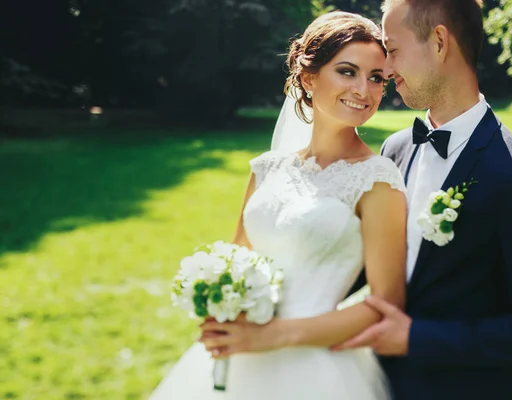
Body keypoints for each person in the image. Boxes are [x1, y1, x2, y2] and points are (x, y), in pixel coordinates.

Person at [149, 11, 407, 400]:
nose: (364, 90)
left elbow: (385, 304)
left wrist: (277, 336)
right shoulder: (267, 169)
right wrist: (219, 307)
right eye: (348, 71)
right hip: (239, 360)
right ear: (309, 77)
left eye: (376, 78)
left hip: (316, 369)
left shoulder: (377, 179)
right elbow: (236, 262)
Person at [334, 1, 512, 399]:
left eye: (392, 50)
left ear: (440, 42)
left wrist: (417, 337)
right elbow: (369, 258)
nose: (387, 68)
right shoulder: (395, 149)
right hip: (374, 385)